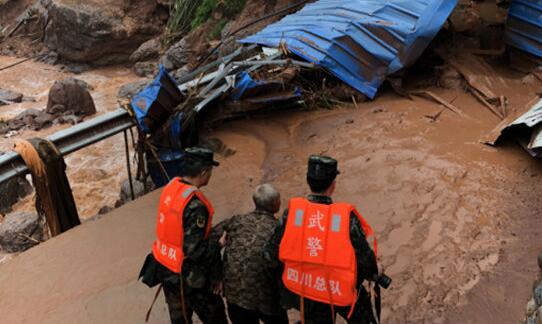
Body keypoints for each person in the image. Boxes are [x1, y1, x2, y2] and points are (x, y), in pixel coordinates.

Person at [266, 155, 380, 324]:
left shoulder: (293, 213)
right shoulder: (344, 218)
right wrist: (374, 273)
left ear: (307, 180)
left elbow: (270, 254)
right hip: (340, 288)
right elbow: (363, 257)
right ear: (333, 185)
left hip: (306, 289)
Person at [139, 147, 228, 324]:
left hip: (164, 266)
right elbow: (194, 250)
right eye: (210, 171)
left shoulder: (171, 188)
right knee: (215, 316)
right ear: (204, 173)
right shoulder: (196, 207)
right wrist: (219, 244)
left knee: (179, 318)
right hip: (185, 275)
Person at [212, 184, 289, 324]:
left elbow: (211, 241)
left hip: (234, 295)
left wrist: (218, 275)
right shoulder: (279, 230)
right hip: (266, 300)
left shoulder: (236, 221)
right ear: (276, 203)